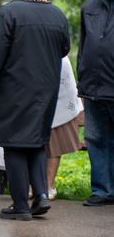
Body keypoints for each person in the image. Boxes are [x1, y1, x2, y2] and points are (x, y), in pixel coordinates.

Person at [0, 0, 70, 220]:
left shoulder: (9, 12)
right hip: (45, 90)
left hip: (14, 89)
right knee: (37, 141)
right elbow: (63, 50)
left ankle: (20, 206)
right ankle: (40, 196)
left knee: (13, 143)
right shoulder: (58, 15)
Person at [77, 0, 114, 207]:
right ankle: (102, 190)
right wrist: (82, 78)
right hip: (92, 89)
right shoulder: (91, 5)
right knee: (96, 139)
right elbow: (82, 47)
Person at [46, 56, 83, 201]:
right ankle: (34, 184)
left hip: (57, 70)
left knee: (54, 143)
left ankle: (49, 184)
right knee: (34, 145)